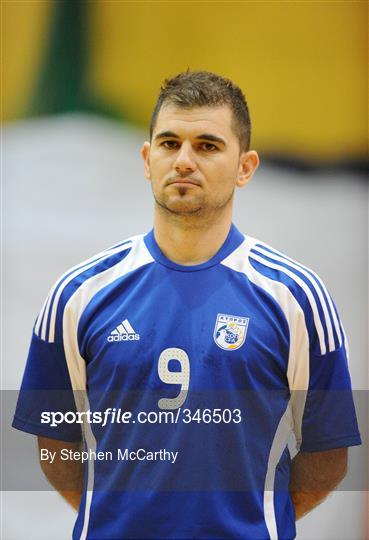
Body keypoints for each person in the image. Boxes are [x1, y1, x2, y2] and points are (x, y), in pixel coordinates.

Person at [13, 71, 361, 540]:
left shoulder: (296, 298)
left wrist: (250, 525)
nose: (183, 161)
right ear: (146, 158)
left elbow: (327, 456)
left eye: (208, 146)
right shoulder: (78, 294)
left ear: (246, 166)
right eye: (169, 143)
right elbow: (55, 443)